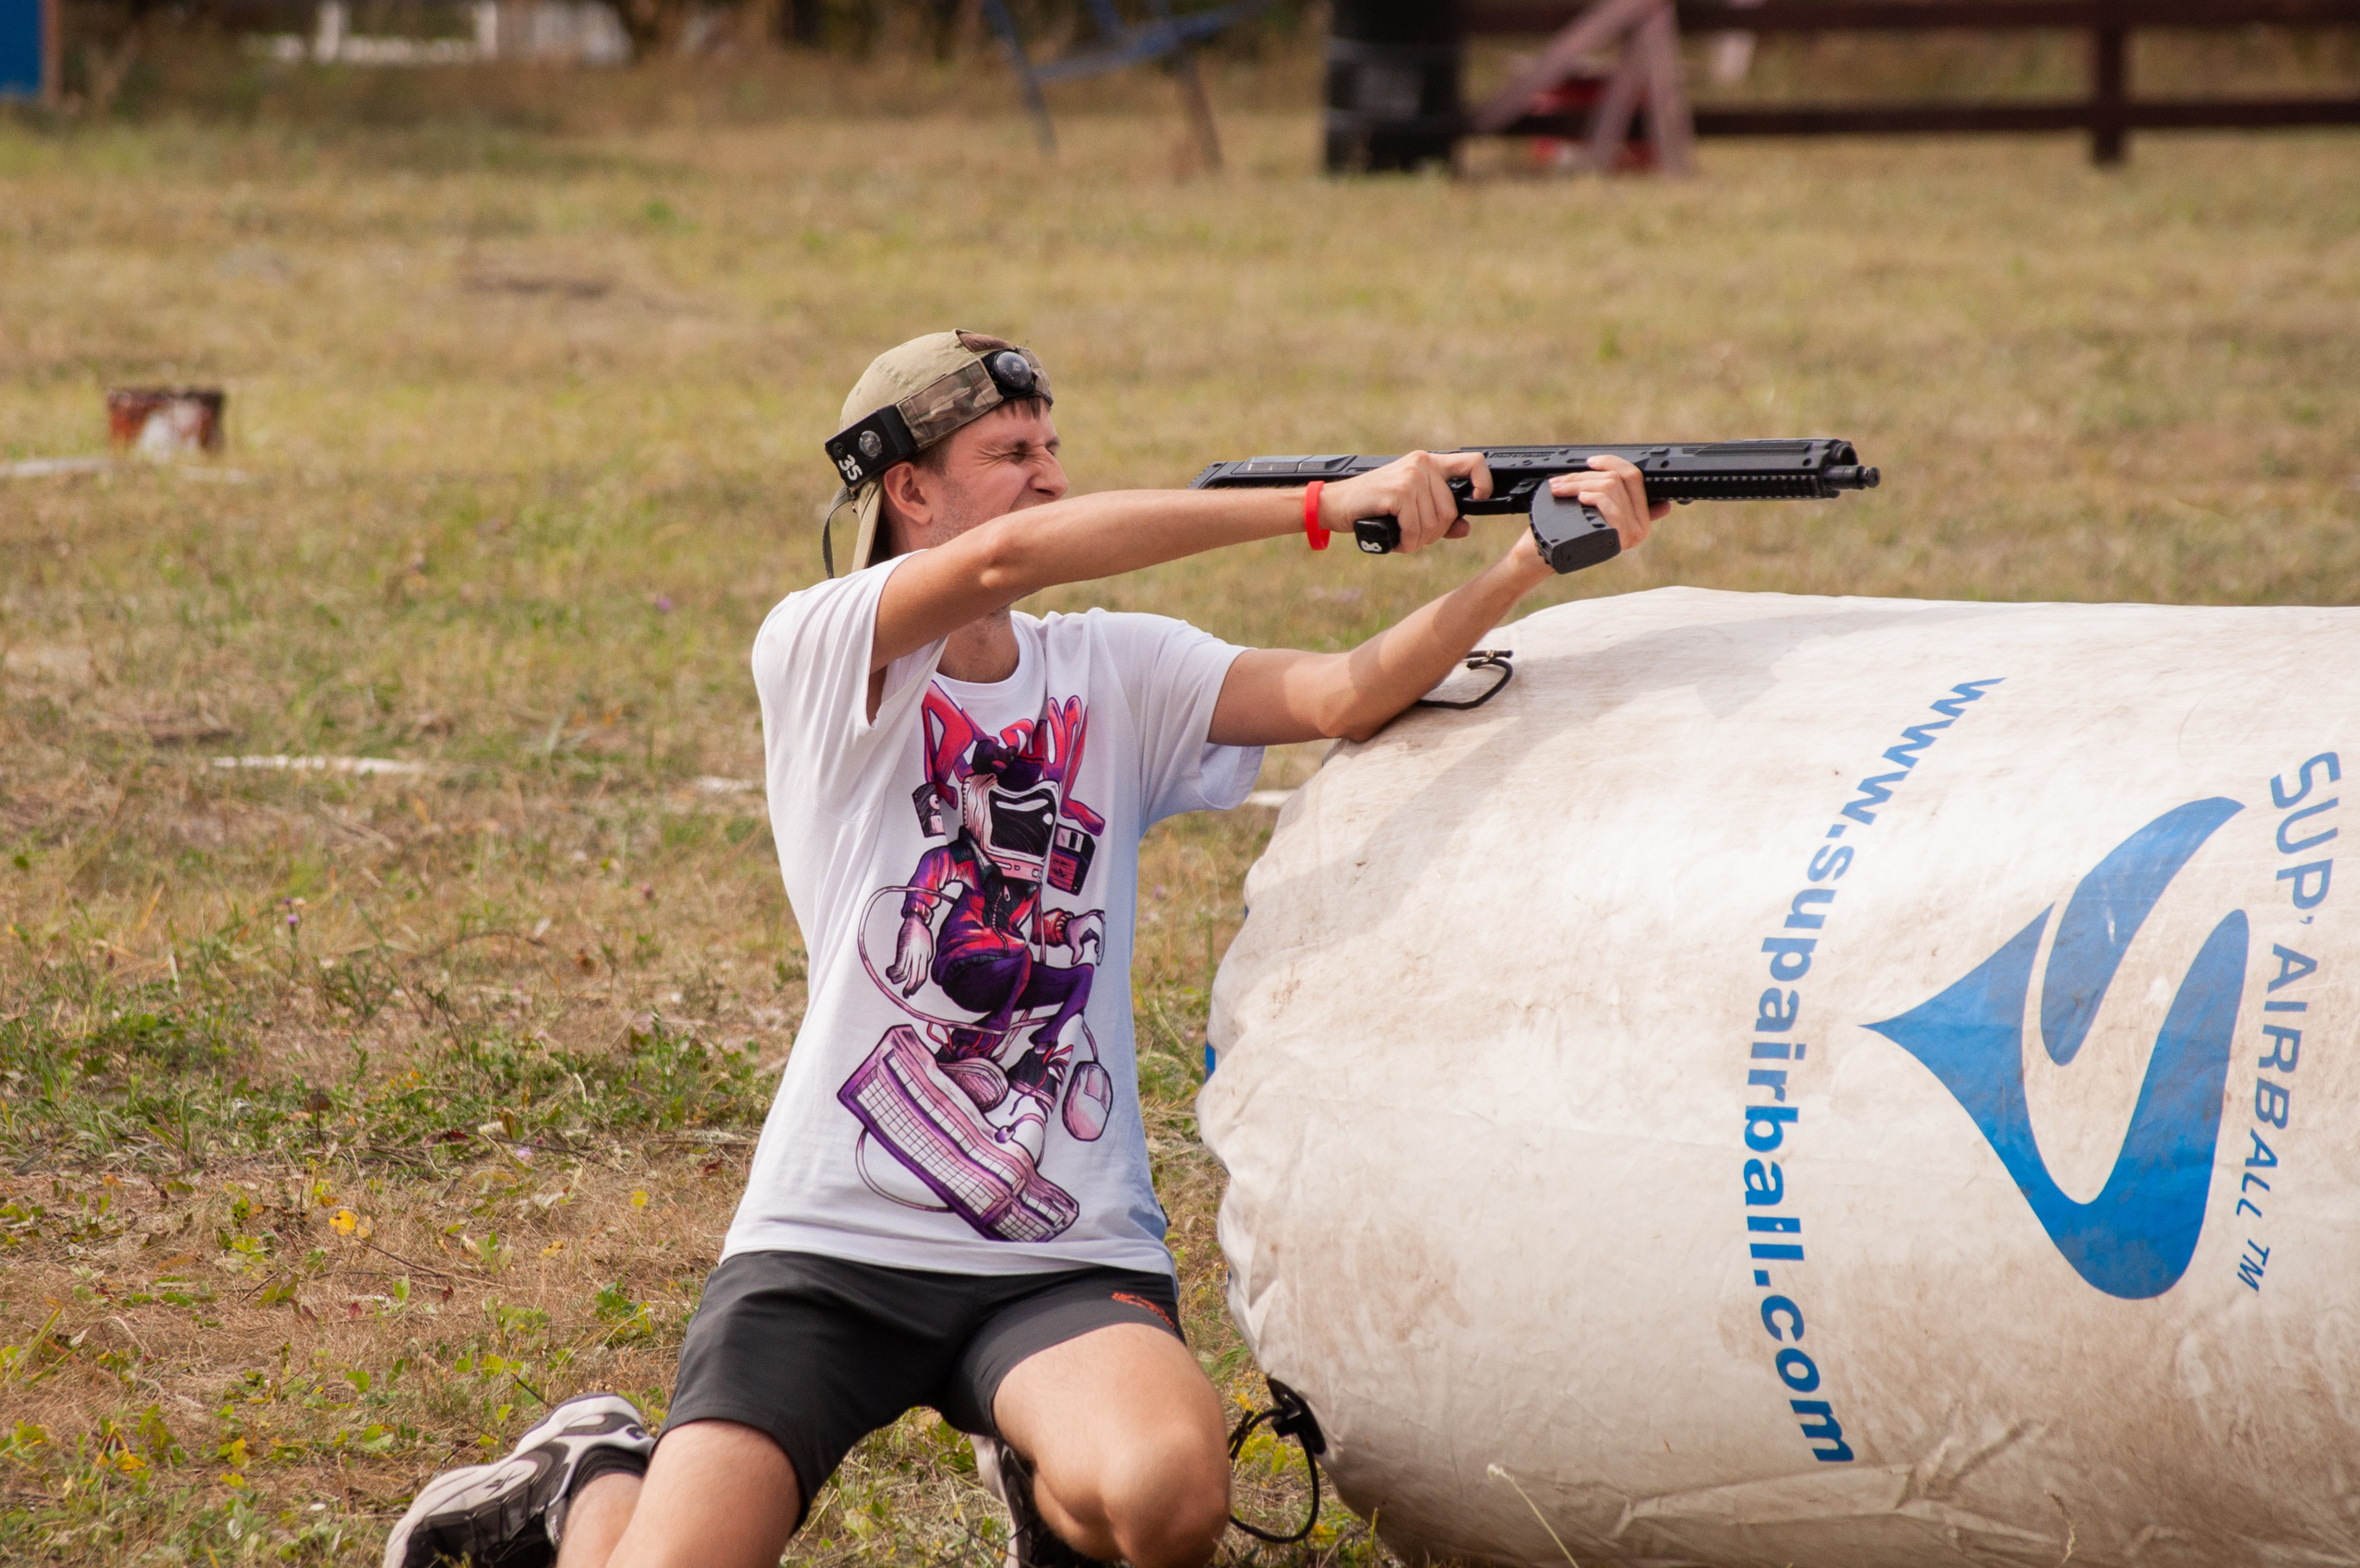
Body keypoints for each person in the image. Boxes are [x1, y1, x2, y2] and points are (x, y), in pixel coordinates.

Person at [382, 330, 1663, 1568]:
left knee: (1168, 1503)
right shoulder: (825, 647)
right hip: (828, 1246)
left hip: (1059, 1250)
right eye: (1011, 450)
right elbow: (1011, 562)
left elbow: (1338, 693)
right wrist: (1328, 505)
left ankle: (1050, 1484)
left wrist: (1525, 568)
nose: (1050, 472)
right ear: (911, 492)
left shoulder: (1112, 668)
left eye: (1052, 444)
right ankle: (592, 1469)